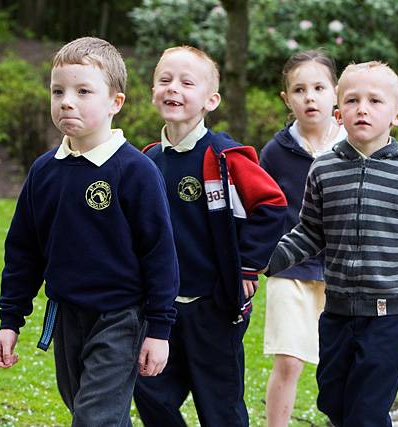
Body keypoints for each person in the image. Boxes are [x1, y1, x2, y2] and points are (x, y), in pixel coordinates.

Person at [266, 61, 398, 426]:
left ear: (397, 115)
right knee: (334, 401)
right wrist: (267, 260)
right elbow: (310, 232)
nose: (362, 108)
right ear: (339, 113)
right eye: (352, 100)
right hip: (339, 307)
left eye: (375, 101)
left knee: (367, 410)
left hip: (391, 311)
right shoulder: (324, 170)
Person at [0, 37, 179, 426]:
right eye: (58, 91)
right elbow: (23, 251)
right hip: (66, 316)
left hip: (121, 317)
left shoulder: (135, 172)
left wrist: (158, 329)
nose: (66, 101)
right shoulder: (44, 171)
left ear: (115, 102)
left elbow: (159, 254)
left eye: (82, 91)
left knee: (95, 420)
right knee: (89, 411)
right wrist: (10, 320)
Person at [133, 46, 287, 427]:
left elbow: (271, 205)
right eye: (165, 80)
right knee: (150, 390)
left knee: (219, 405)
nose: (174, 88)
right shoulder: (146, 159)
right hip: (160, 309)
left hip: (211, 307)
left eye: (187, 83)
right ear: (153, 91)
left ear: (210, 100)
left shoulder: (223, 156)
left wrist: (248, 267)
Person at [259, 49, 346, 427]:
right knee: (289, 360)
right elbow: (260, 210)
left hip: (344, 273)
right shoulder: (275, 153)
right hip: (289, 270)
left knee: (343, 362)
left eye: (319, 87)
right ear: (286, 99)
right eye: (299, 90)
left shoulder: (355, 145)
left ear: (336, 92)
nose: (310, 97)